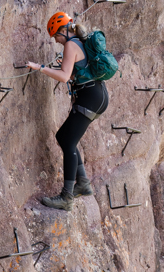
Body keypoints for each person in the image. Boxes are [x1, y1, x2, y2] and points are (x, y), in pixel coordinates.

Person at [26, 12, 109, 211]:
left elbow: (64, 76)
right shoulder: (81, 42)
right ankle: (82, 184)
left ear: (64, 31)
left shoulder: (71, 45)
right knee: (64, 137)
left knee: (68, 141)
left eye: (56, 35)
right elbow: (73, 72)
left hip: (90, 97)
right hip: (97, 95)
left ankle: (67, 196)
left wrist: (41, 68)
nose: (55, 40)